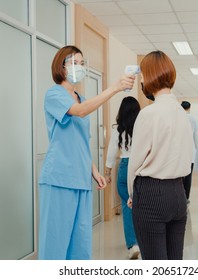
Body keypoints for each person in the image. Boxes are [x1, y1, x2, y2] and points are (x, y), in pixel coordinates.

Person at [38, 45, 135, 260]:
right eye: (74, 63)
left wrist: (94, 171)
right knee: (55, 242)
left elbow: (82, 142)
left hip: (81, 178)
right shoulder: (54, 94)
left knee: (80, 244)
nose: (79, 67)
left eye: (82, 64)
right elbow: (79, 112)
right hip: (59, 178)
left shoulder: (81, 97)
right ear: (61, 67)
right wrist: (115, 88)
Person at [127, 50, 193, 260]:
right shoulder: (183, 114)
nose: (143, 80)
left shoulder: (148, 114)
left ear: (151, 76)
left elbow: (135, 162)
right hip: (178, 194)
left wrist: (132, 194)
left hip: (151, 194)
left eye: (143, 75)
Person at [104, 96, 141, 259]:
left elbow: (112, 152)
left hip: (125, 166)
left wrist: (107, 173)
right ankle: (143, 240)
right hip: (140, 167)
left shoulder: (118, 129)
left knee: (127, 205)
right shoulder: (142, 126)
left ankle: (132, 245)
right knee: (141, 206)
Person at [181, 101, 198, 203]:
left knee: (179, 175)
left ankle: (180, 195)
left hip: (179, 153)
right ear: (189, 108)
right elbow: (196, 136)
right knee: (188, 176)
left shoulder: (177, 118)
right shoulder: (193, 119)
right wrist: (196, 149)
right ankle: (186, 197)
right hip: (190, 152)